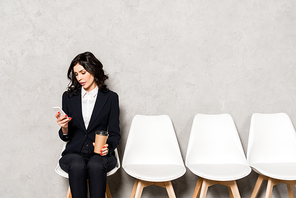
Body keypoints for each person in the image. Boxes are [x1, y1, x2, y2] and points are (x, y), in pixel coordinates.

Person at [55, 51, 120, 198]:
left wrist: (107, 147)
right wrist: (64, 127)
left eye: (83, 72)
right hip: (74, 153)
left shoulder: (110, 98)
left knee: (96, 164)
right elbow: (65, 137)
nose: (79, 78)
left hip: (99, 155)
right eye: (76, 74)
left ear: (93, 70)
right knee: (77, 164)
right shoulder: (68, 97)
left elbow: (115, 133)